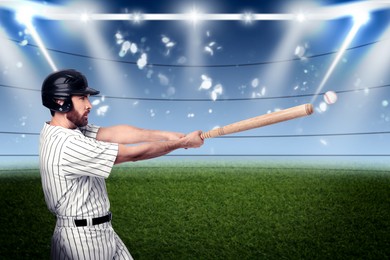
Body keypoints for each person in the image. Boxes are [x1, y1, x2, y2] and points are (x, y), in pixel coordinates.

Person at [39, 69, 204, 259]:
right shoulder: (67, 144)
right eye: (82, 98)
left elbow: (115, 133)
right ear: (60, 101)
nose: (89, 105)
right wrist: (182, 143)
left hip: (101, 231)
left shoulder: (68, 130)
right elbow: (134, 154)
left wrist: (166, 135)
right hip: (81, 240)